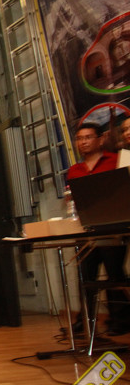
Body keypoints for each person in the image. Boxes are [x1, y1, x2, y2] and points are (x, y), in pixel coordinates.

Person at [67, 122, 130, 336]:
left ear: (100, 139)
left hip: (113, 228)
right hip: (85, 230)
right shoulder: (74, 171)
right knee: (86, 276)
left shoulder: (116, 160)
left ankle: (120, 320)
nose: (83, 142)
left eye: (88, 137)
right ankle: (84, 320)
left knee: (114, 274)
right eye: (79, 138)